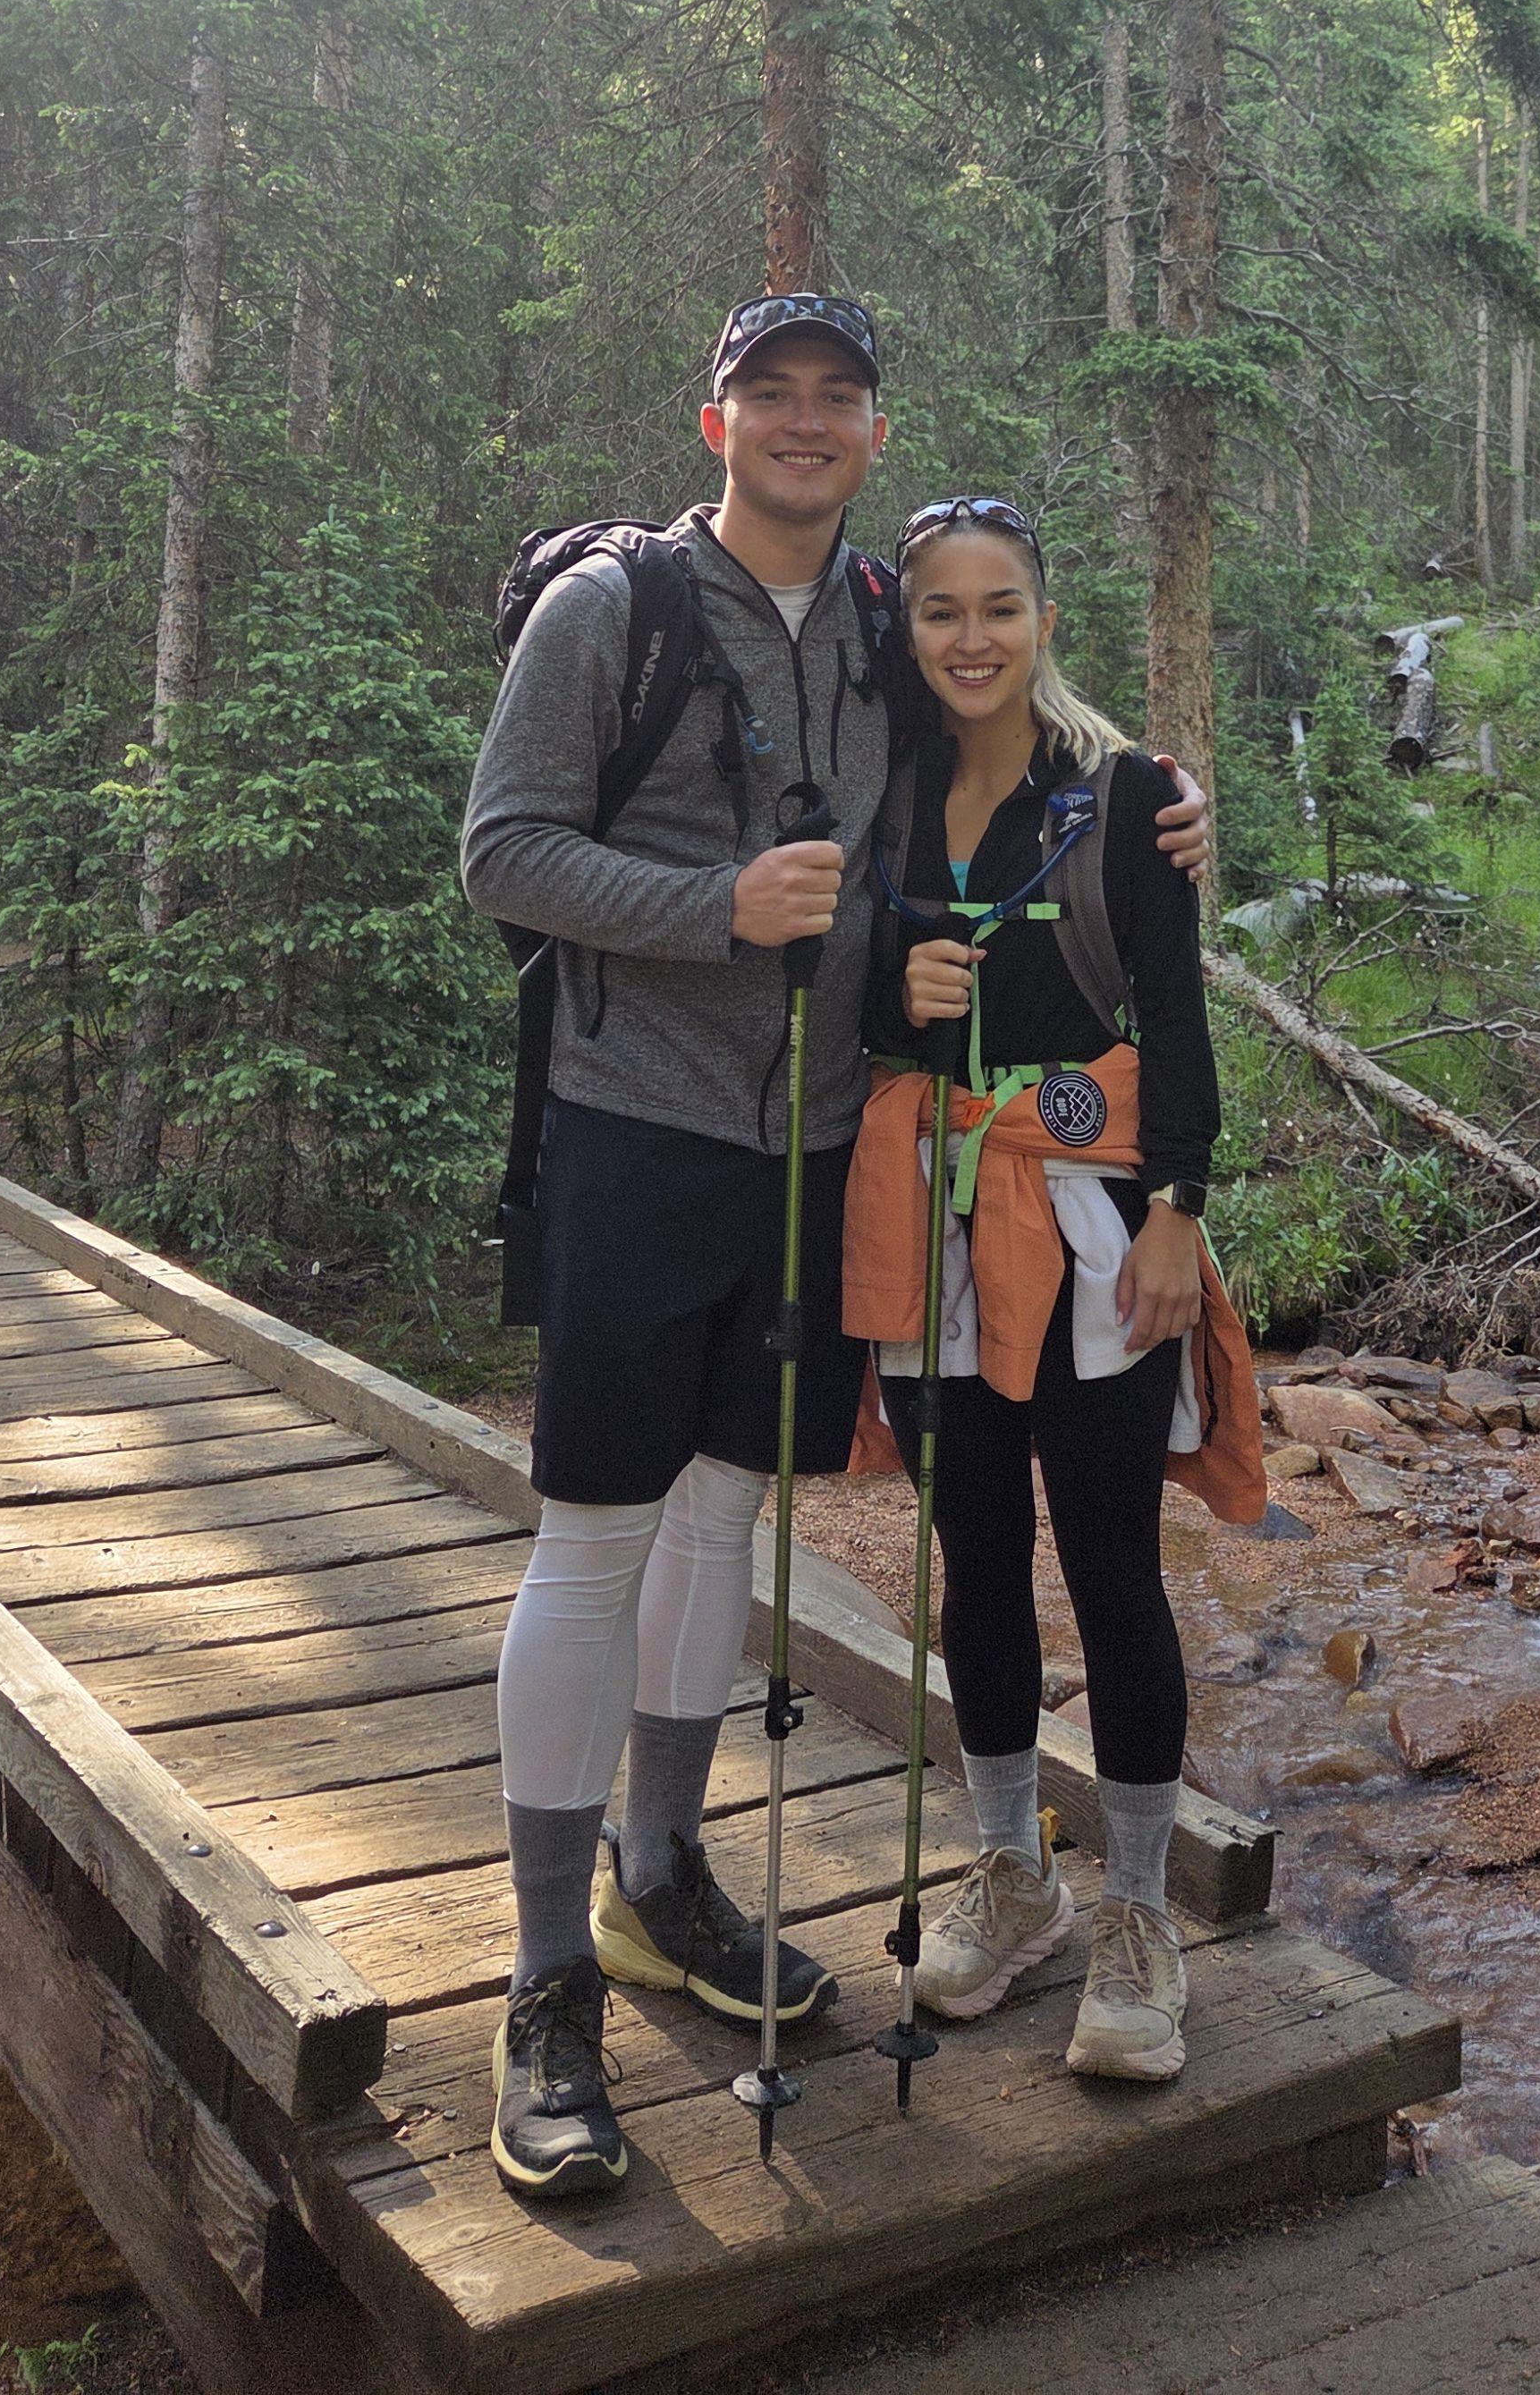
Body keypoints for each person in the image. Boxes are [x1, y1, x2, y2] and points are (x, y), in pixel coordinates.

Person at [458, 301, 1211, 2201]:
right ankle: (544, 1977)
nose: (803, 422)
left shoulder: (884, 622)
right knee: (595, 1533)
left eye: (837, 398)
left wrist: (1164, 800)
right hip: (635, 1133)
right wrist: (714, 904)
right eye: (769, 394)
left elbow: (1012, 722)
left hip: (817, 1151)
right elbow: (502, 852)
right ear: (714, 419)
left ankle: (659, 1874)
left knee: (722, 1521)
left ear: (872, 431)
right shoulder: (612, 613)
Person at [845, 496, 1268, 2089]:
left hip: (1094, 1227)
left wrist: (1177, 1215)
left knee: (1110, 1570)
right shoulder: (881, 792)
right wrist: (891, 989)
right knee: (975, 1563)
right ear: (908, 631)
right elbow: (834, 996)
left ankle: (1142, 1913)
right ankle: (1016, 1874)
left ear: (1043, 617)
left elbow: (1176, 1015)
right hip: (934, 1232)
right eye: (941, 611)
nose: (972, 639)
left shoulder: (1129, 797)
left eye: (1000, 607)